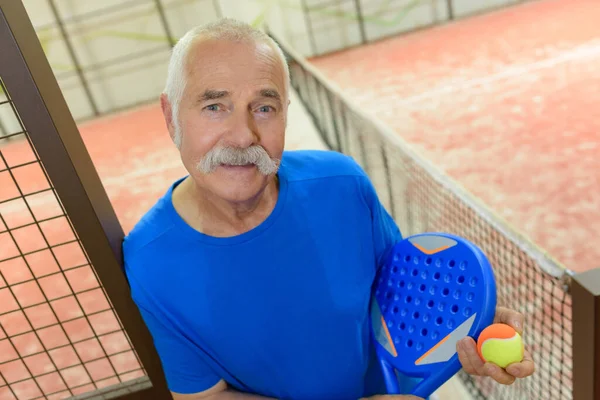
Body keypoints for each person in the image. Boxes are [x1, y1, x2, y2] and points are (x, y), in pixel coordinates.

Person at [122, 18, 535, 400]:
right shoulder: (150, 262)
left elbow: (398, 291)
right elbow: (206, 397)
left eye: (264, 108)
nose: (244, 136)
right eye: (214, 106)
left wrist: (466, 320)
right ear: (171, 117)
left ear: (285, 113)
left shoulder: (343, 184)